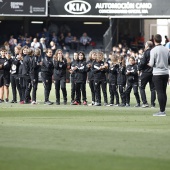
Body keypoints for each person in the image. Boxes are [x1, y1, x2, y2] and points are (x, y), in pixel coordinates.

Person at [148, 34, 170, 116]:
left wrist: (148, 64)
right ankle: (163, 109)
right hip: (165, 72)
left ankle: (161, 111)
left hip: (157, 73)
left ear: (154, 40)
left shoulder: (153, 50)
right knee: (164, 92)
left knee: (160, 92)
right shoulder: (166, 49)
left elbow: (151, 63)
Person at [138, 41, 156, 108]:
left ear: (147, 46)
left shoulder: (145, 53)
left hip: (145, 72)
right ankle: (153, 104)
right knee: (153, 88)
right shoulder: (154, 52)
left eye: (145, 44)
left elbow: (142, 62)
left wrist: (139, 68)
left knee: (141, 87)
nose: (144, 45)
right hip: (153, 72)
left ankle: (145, 102)